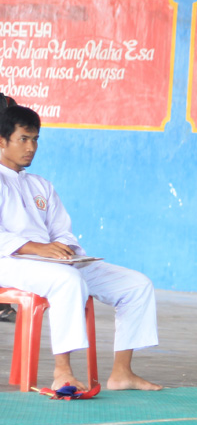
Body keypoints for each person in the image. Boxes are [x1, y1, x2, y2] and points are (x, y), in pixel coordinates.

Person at [0, 105, 162, 391]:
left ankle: (122, 373)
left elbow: (62, 230)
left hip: (50, 261)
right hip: (10, 261)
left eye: (36, 139)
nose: (32, 147)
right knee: (68, 280)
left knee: (137, 285)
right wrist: (38, 248)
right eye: (24, 139)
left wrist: (66, 249)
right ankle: (63, 371)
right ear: (2, 141)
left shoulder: (41, 185)